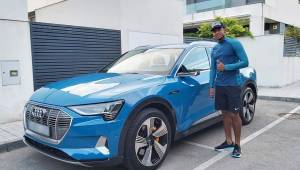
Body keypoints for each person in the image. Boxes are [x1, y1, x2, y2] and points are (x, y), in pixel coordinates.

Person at [209, 22, 249, 158]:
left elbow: (245, 62)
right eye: (214, 31)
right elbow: (213, 69)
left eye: (218, 29)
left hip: (233, 85)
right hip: (220, 86)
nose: (216, 32)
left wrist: (226, 67)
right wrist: (211, 86)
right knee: (224, 114)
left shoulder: (234, 43)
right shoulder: (214, 49)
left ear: (224, 30)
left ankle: (237, 145)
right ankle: (228, 141)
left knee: (234, 115)